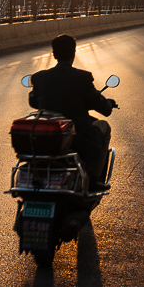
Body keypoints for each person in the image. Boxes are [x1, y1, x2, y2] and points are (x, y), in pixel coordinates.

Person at [29, 34, 117, 189]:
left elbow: (34, 101)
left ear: (54, 54)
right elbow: (103, 107)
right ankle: (95, 179)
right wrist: (109, 103)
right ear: (73, 54)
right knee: (104, 126)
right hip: (77, 137)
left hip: (48, 137)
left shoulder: (39, 78)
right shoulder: (82, 78)